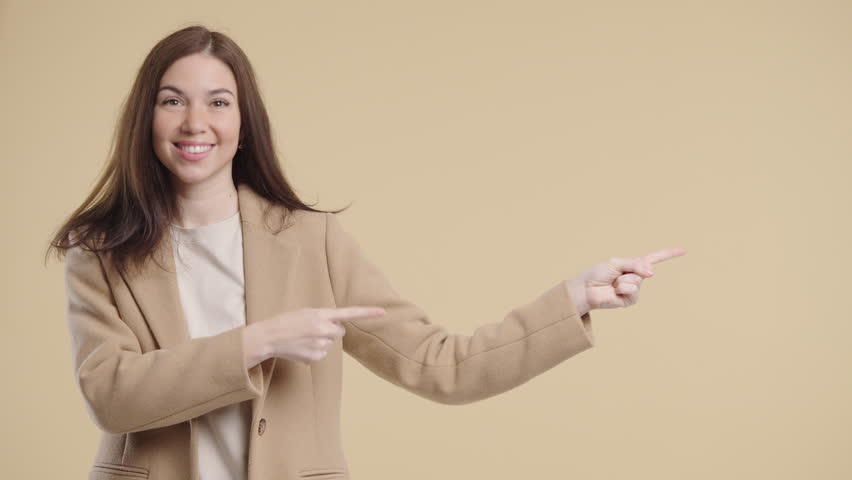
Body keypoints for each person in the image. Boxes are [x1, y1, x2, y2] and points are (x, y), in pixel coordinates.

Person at [46, 24, 686, 480]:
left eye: (219, 102)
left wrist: (572, 299)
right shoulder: (99, 252)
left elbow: (441, 365)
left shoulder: (312, 242)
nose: (195, 123)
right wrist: (260, 341)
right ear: (147, 119)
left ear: (243, 125)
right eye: (172, 101)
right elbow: (111, 395)